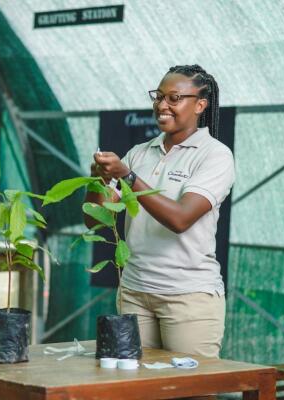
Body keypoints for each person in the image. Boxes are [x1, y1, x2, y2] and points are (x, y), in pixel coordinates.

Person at [86, 64, 235, 358]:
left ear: (200, 105)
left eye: (174, 98)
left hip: (188, 297)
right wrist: (97, 181)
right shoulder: (139, 153)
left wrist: (128, 177)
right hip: (135, 292)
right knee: (135, 387)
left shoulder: (215, 155)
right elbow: (94, 220)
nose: (161, 105)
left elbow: (180, 219)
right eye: (158, 96)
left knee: (193, 391)